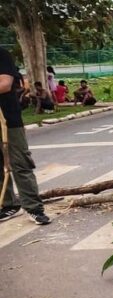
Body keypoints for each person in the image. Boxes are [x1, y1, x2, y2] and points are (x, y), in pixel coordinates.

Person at [0, 47, 51, 225]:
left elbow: (5, 84)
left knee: (20, 163)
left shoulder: (2, 54)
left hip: (8, 120)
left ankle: (33, 208)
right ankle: (8, 205)